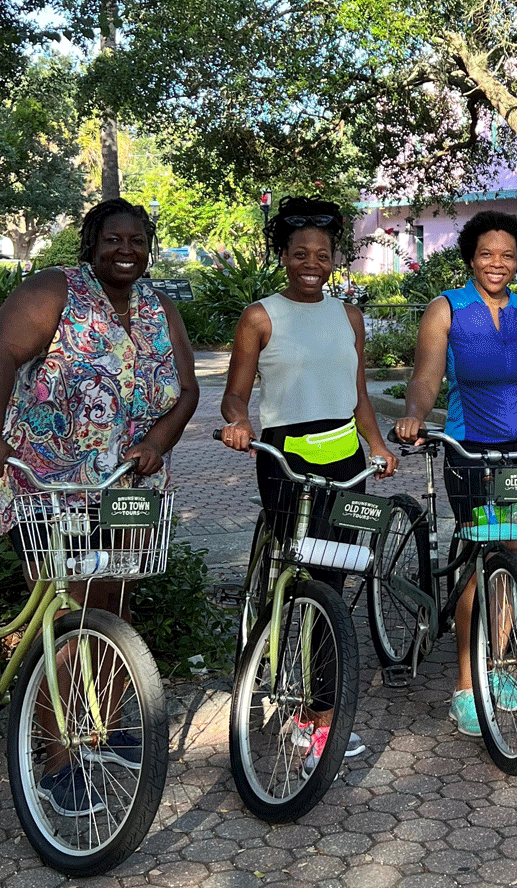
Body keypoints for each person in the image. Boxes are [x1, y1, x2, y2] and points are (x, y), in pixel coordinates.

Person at [0, 197, 199, 814]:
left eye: (137, 241)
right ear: (91, 244)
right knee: (66, 613)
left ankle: (98, 724)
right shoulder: (53, 292)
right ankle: (55, 750)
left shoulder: (159, 306)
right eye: (113, 240)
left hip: (128, 485)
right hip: (50, 478)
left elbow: (186, 391)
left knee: (112, 605)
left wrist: (156, 442)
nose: (126, 251)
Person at [218, 197, 398, 765]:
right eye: (300, 253)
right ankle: (281, 667)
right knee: (302, 574)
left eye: (322, 253)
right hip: (284, 455)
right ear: (283, 256)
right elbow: (235, 393)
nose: (311, 263)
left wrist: (377, 443)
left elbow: (359, 394)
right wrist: (239, 423)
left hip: (345, 456)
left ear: (335, 258)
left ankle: (317, 715)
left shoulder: (349, 316)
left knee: (334, 580)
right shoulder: (260, 316)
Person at [394, 210, 517, 738]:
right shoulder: (446, 309)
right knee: (484, 560)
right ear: (471, 257)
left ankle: (500, 667)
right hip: (470, 446)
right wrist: (414, 415)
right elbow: (426, 379)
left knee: (513, 558)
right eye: (486, 254)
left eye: (508, 255)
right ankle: (466, 686)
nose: (497, 264)